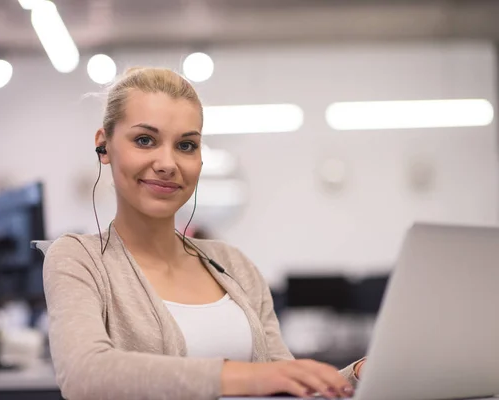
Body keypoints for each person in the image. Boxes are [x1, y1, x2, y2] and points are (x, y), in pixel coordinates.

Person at [43, 67, 366, 400]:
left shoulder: (233, 264)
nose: (168, 163)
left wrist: (355, 377)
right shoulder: (78, 258)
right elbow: (85, 375)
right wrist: (240, 377)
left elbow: (284, 386)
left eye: (186, 145)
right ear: (104, 146)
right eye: (145, 140)